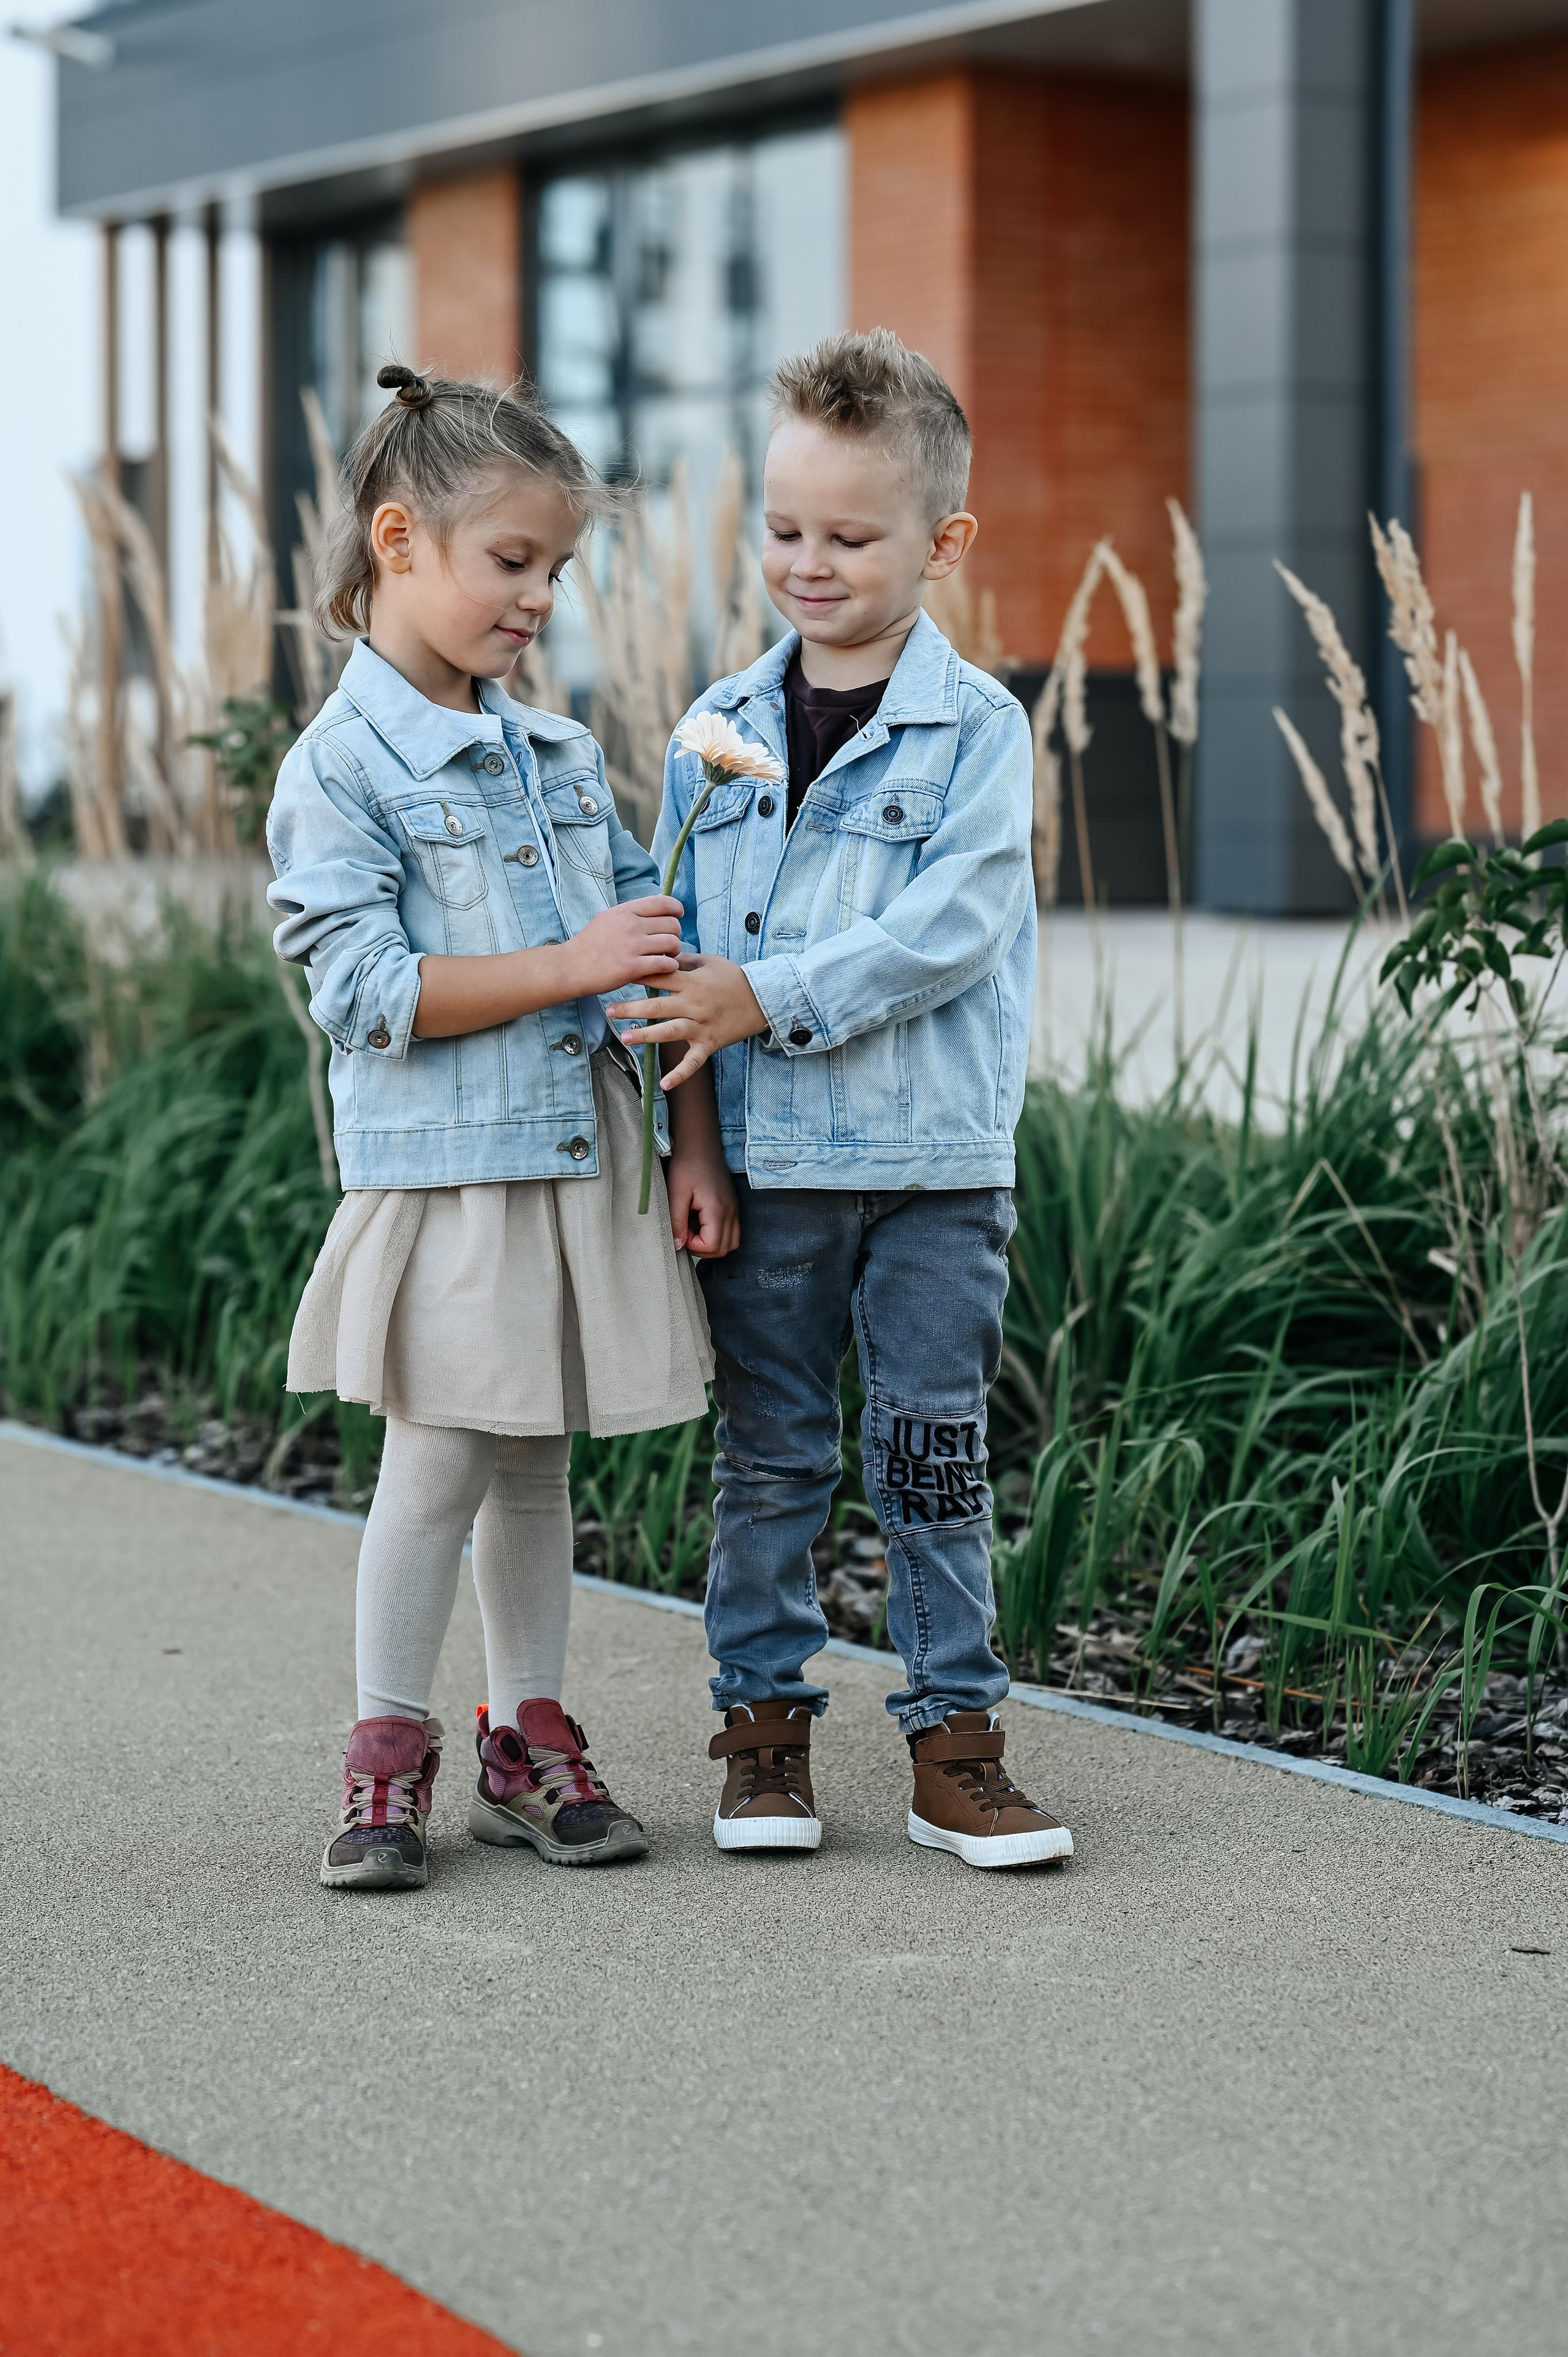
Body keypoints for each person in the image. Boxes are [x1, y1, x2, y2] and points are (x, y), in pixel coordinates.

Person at [267, 363, 738, 1891]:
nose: (538, 598)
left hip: (579, 1160)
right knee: (439, 1460)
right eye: (509, 562)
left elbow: (636, 976)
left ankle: (523, 1736)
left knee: (536, 1463)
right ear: (399, 542)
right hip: (455, 1176)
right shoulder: (342, 766)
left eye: (555, 569)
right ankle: (382, 1752)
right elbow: (359, 988)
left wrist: (689, 1143)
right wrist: (569, 965)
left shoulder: (546, 756)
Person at [611, 328, 1073, 1869]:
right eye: (785, 530)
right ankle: (760, 1737)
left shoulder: (977, 729)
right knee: (771, 1457)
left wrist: (775, 996)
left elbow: (954, 927)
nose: (807, 566)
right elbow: (675, 959)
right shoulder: (711, 731)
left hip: (934, 1168)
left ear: (940, 542)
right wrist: (692, 1137)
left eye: (850, 537)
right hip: (764, 1164)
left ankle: (955, 1743)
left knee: (932, 1452)